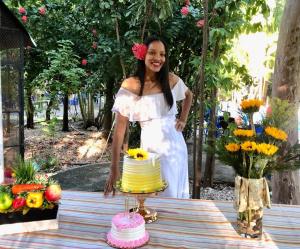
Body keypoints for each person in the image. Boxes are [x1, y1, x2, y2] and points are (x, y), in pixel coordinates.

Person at [104, 36, 193, 198]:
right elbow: (119, 130)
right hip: (150, 147)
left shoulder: (171, 79)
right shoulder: (130, 85)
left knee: (172, 196)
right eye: (152, 53)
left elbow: (189, 95)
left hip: (175, 148)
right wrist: (114, 168)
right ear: (142, 55)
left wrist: (183, 119)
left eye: (162, 54)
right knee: (149, 196)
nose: (158, 58)